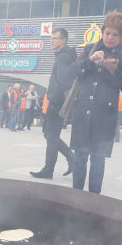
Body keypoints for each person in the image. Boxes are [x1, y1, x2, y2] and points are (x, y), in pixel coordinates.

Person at [67, 12, 122, 194]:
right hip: (83, 110)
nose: (110, 38)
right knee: (79, 155)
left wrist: (114, 71)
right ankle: (76, 196)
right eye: (107, 33)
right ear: (102, 32)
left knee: (98, 158)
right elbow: (72, 71)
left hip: (105, 114)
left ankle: (94, 200)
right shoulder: (90, 47)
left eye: (115, 35)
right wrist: (89, 60)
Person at [30, 28, 77, 179]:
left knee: (51, 135)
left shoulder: (63, 57)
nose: (52, 41)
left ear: (63, 40)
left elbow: (62, 82)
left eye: (55, 38)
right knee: (50, 135)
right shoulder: (64, 55)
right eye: (51, 38)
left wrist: (52, 101)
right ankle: (68, 158)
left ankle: (50, 168)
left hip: (56, 103)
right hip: (58, 102)